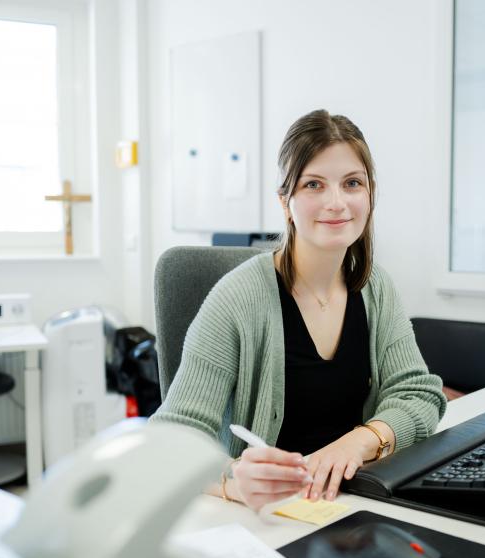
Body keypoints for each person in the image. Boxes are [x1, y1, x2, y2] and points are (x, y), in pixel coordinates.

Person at [151, 109, 445, 512]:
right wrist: (233, 480)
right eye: (314, 185)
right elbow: (172, 439)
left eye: (352, 183)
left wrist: (358, 441)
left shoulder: (377, 288)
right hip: (269, 518)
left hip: (355, 504)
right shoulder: (238, 298)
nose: (337, 202)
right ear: (286, 202)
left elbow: (420, 395)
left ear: (370, 194)